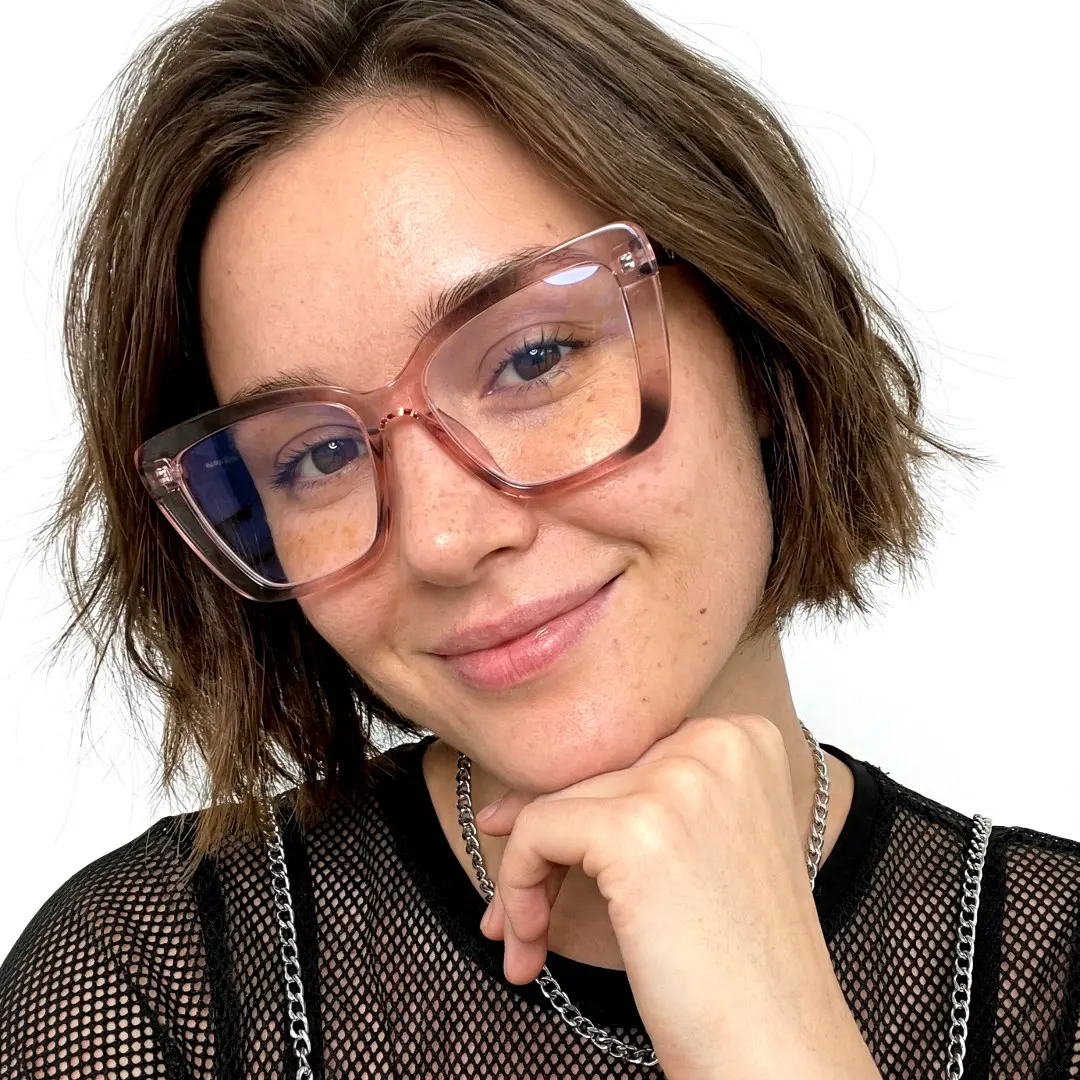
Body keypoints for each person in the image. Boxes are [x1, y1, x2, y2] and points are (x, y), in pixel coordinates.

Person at [1, 0, 1078, 1076]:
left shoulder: (1056, 979)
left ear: (755, 339)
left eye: (529, 360)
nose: (443, 538)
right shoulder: (145, 988)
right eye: (316, 458)